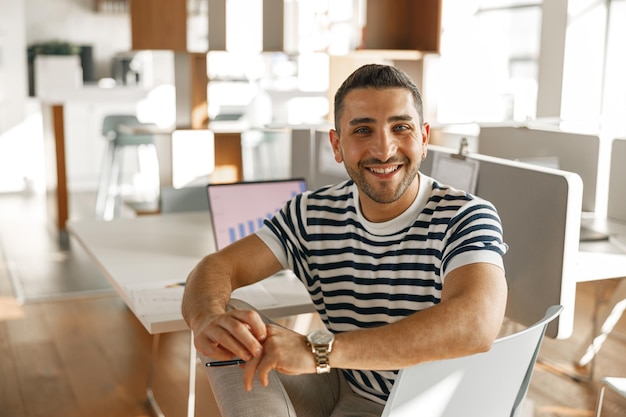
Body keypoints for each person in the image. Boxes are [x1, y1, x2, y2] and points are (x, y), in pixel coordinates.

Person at [182, 63, 509, 417]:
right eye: (363, 130)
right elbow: (217, 266)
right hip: (344, 383)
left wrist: (318, 351)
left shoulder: (466, 215)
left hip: (426, 405)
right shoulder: (311, 213)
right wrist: (204, 318)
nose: (384, 150)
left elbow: (476, 325)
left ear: (424, 138)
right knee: (228, 325)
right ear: (337, 145)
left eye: (401, 127)